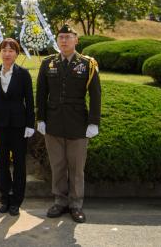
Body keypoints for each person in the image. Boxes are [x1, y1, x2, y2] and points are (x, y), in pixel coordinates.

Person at [36, 24, 101, 223]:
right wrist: (40, 119)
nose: (64, 40)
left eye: (68, 37)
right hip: (54, 123)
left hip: (77, 123)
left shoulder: (87, 64)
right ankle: (60, 201)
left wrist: (93, 122)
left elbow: (96, 94)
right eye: (61, 37)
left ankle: (76, 204)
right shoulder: (48, 63)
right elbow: (41, 93)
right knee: (58, 165)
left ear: (76, 40)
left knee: (76, 167)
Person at [0, 38, 35, 216]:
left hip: (19, 125)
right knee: (2, 163)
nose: (7, 54)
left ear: (17, 54)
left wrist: (30, 124)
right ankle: (4, 197)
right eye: (4, 50)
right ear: (0, 52)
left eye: (11, 50)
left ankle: (16, 200)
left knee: (19, 163)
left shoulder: (23, 74)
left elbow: (29, 101)